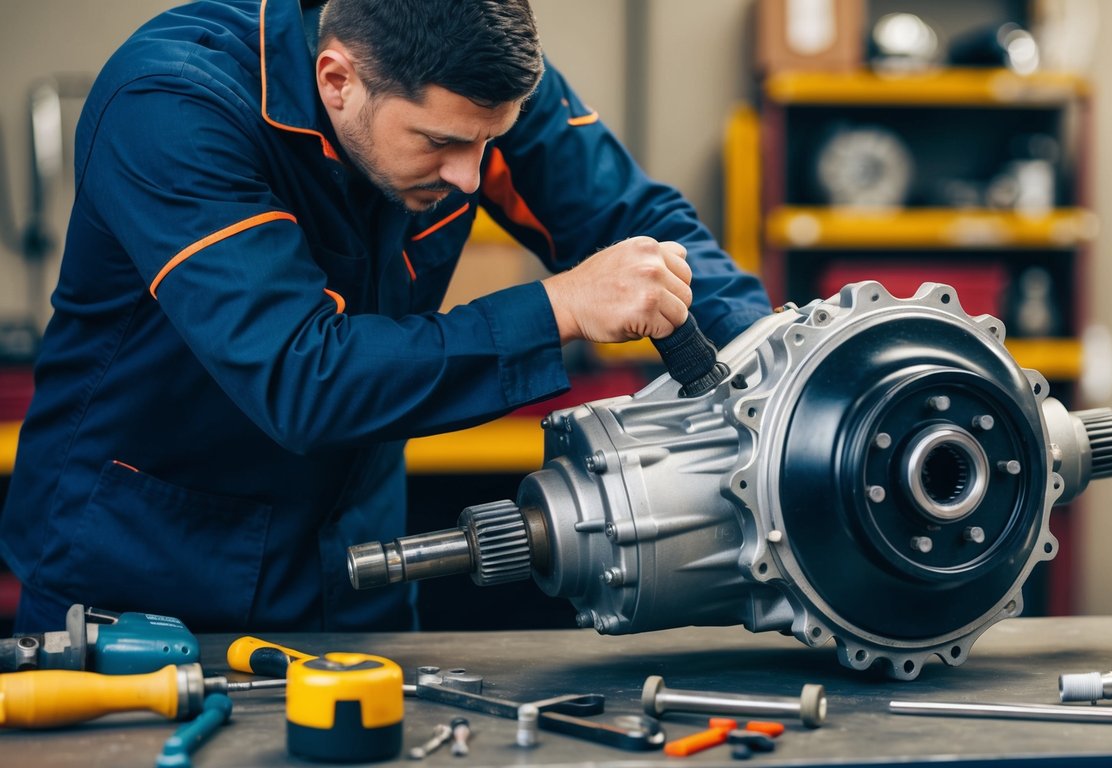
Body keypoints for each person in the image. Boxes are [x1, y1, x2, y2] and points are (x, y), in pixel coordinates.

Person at [0, 0, 771, 633]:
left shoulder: (473, 89)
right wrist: (559, 306)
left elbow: (632, 216)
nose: (472, 176)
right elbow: (301, 377)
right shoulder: (173, 105)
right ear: (337, 78)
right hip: (143, 578)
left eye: (488, 143)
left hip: (355, 565)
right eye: (440, 144)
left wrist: (784, 361)